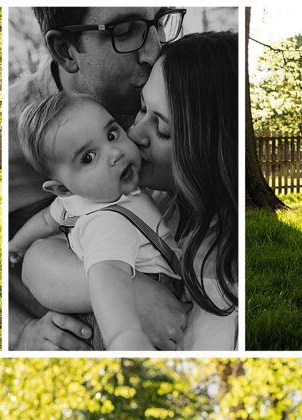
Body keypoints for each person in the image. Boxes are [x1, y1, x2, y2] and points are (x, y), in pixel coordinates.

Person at [17, 29, 238, 351]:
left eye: (161, 129)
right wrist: (128, 293)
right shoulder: (145, 201)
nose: (134, 133)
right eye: (141, 108)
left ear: (212, 152)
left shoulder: (225, 274)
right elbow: (37, 259)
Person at [11, 93, 184, 350]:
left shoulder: (76, 200)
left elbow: (48, 219)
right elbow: (108, 277)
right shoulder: (107, 223)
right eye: (88, 158)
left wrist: (16, 244)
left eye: (112, 135)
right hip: (124, 314)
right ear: (62, 188)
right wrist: (124, 335)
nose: (114, 153)